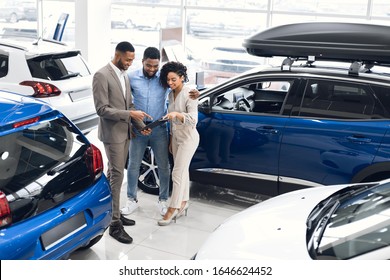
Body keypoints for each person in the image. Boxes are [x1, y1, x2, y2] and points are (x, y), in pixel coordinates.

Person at [122, 47, 200, 216]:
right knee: (133, 165)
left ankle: (163, 200)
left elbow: (181, 85)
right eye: (148, 65)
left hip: (160, 128)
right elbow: (127, 102)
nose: (151, 69)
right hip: (139, 127)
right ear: (142, 61)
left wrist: (196, 91)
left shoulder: (164, 79)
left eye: (155, 66)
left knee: (164, 166)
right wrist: (133, 124)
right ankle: (131, 200)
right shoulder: (131, 77)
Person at [92, 41, 151, 243]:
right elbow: (102, 109)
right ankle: (114, 224)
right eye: (127, 59)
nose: (130, 63)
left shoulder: (124, 75)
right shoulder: (102, 75)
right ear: (117, 55)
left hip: (126, 132)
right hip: (112, 135)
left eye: (132, 60)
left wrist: (141, 125)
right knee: (117, 175)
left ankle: (113, 212)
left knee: (114, 173)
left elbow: (129, 104)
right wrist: (129, 113)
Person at [157, 61, 199, 226]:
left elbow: (193, 120)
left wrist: (177, 114)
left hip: (188, 138)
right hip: (175, 138)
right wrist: (170, 139)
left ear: (182, 77)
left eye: (174, 79)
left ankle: (172, 207)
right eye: (168, 80)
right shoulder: (170, 94)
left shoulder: (190, 93)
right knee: (183, 171)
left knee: (177, 173)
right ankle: (183, 202)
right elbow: (171, 122)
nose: (170, 83)